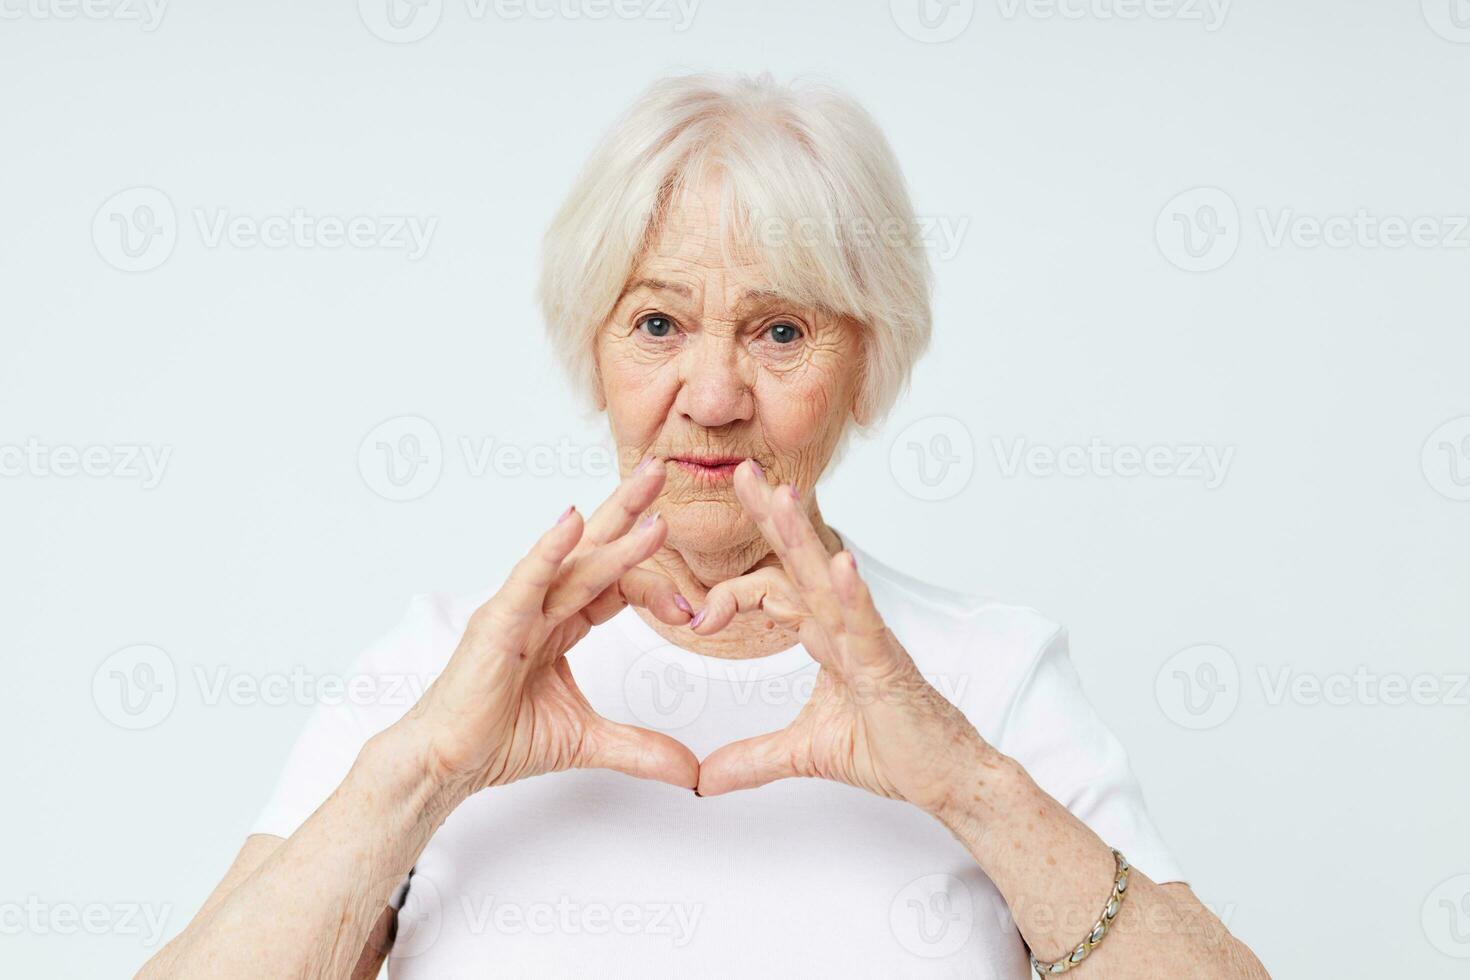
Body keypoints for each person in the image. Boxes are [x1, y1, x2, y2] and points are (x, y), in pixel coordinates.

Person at [138, 73, 1268, 979]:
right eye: (659, 321)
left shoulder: (994, 671)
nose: (716, 393)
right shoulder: (439, 667)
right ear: (594, 347)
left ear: (866, 360)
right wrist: (431, 763)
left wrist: (965, 779)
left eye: (779, 331)